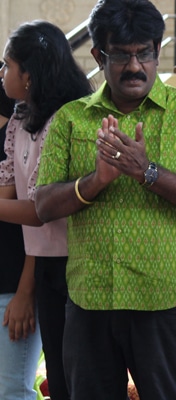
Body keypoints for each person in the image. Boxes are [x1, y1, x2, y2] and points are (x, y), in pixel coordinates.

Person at [34, 0, 176, 398]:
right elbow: (43, 206)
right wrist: (95, 182)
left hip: (166, 301)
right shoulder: (71, 118)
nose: (135, 66)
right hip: (91, 301)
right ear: (98, 56)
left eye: (144, 53)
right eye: (121, 55)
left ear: (157, 51)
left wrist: (147, 172)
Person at [0, 21, 93, 400]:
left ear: (28, 75)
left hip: (77, 262)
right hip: (45, 263)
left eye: (7, 65)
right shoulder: (20, 118)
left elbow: (41, 209)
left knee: (81, 376)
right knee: (57, 374)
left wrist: (24, 288)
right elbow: (8, 189)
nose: (2, 73)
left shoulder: (65, 120)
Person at [0, 70, 41, 400]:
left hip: (12, 289)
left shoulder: (18, 135)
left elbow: (39, 221)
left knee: (12, 391)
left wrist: (25, 292)